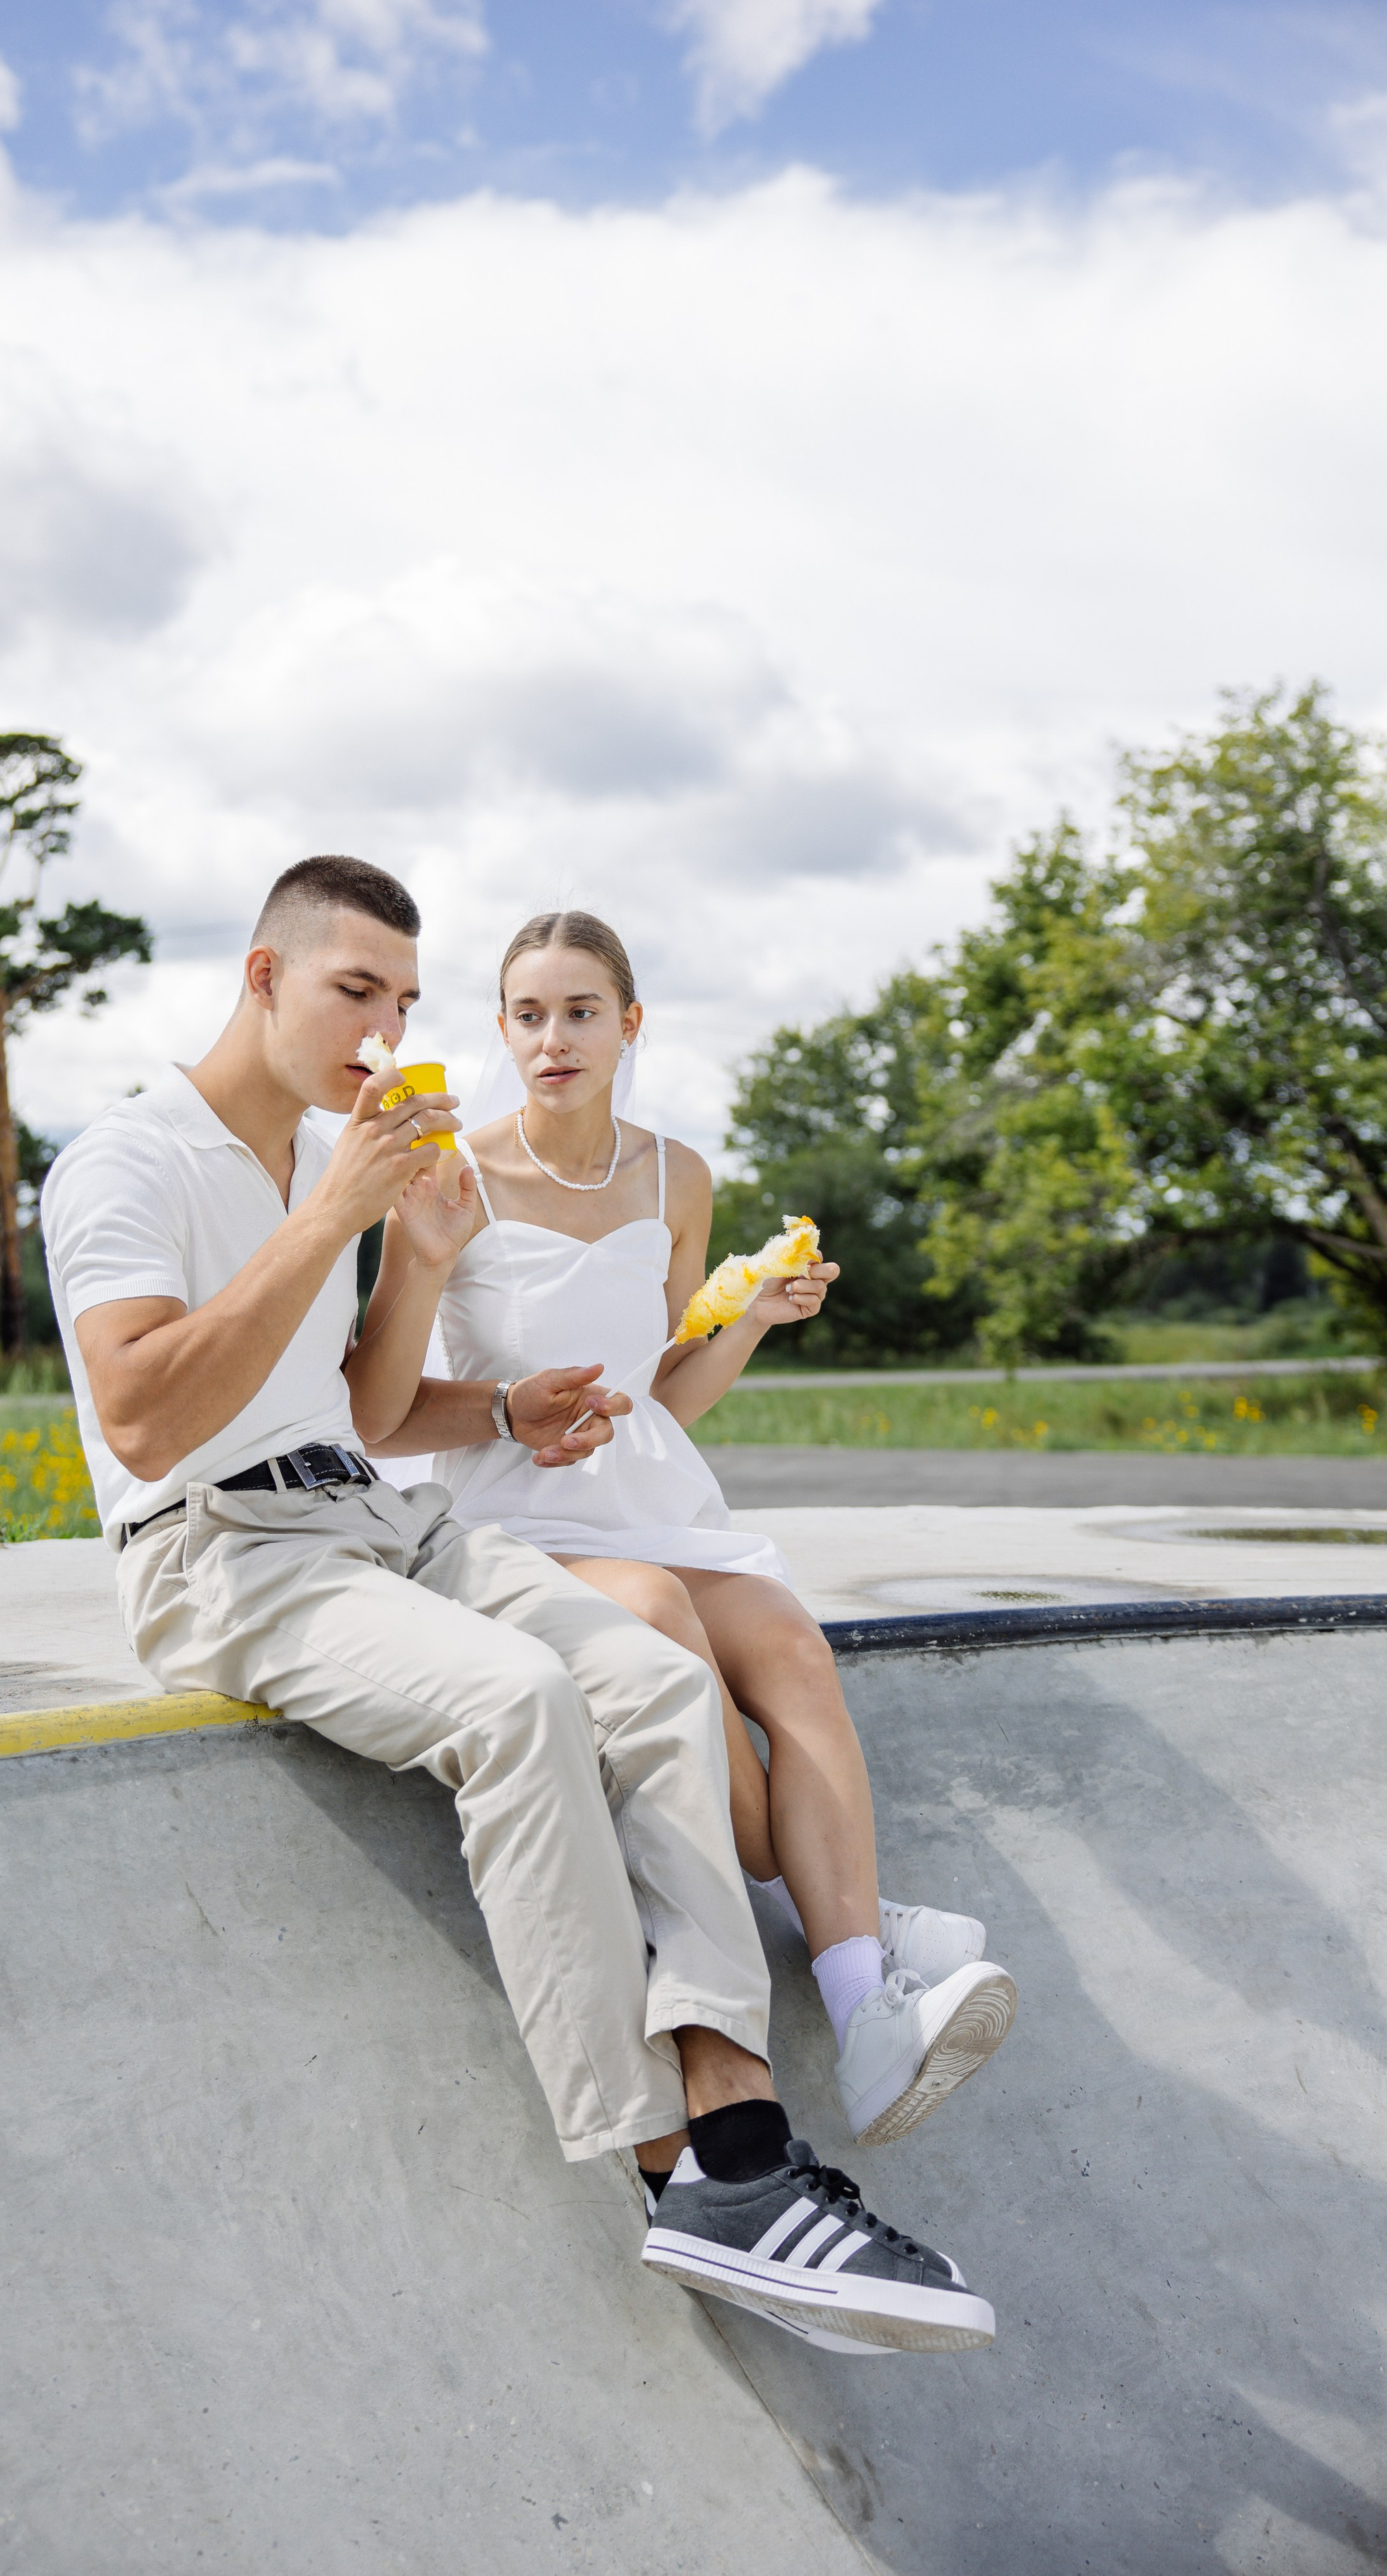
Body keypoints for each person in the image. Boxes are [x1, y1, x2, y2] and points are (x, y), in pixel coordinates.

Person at [43, 853, 996, 2356]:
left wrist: (498, 1404)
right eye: (356, 990)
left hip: (371, 1514)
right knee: (519, 1703)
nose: (383, 1026)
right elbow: (148, 1417)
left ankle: (743, 2149)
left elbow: (351, 1409)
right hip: (216, 1548)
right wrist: (339, 1217)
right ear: (261, 976)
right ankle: (672, 2173)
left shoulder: (317, 1156)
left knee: (655, 1675)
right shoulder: (128, 1160)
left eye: (406, 999)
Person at [347, 907, 1016, 2151]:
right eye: (530, 1015)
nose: (554, 1037)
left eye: (582, 1011)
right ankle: (865, 1936)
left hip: (658, 1497)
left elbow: (666, 1389)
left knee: (794, 1652)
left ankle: (868, 2022)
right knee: (661, 1632)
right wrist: (510, 1411)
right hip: (514, 1508)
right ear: (500, 1030)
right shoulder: (455, 1176)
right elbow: (382, 1413)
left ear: (630, 1024)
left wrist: (751, 1317)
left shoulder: (677, 1175)